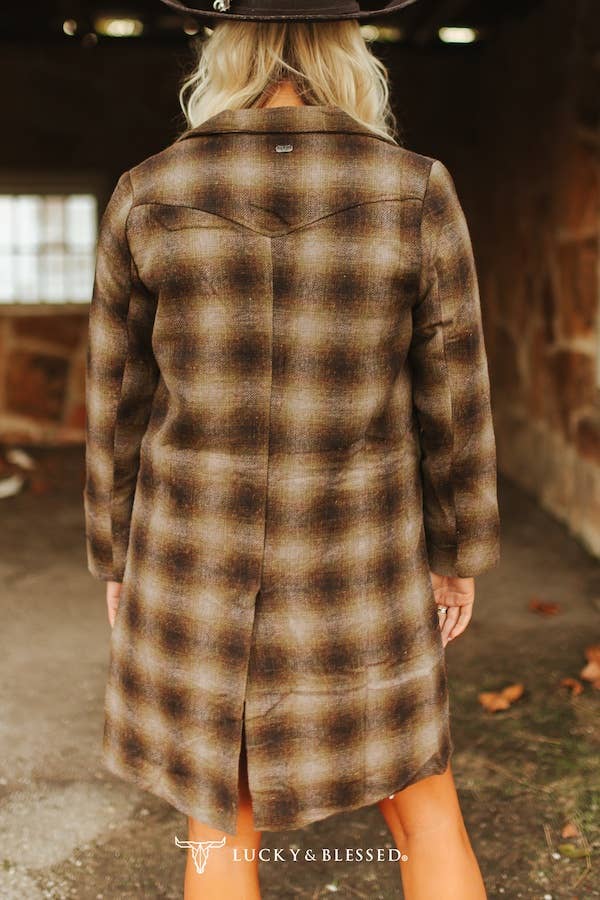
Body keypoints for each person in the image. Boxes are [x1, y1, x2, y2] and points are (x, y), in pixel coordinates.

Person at [84, 2, 500, 898]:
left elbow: (117, 403)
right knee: (424, 802)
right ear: (346, 50)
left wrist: (116, 554)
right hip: (363, 561)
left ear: (227, 49)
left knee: (219, 817)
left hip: (193, 559)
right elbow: (454, 396)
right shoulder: (414, 189)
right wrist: (457, 553)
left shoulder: (149, 190)